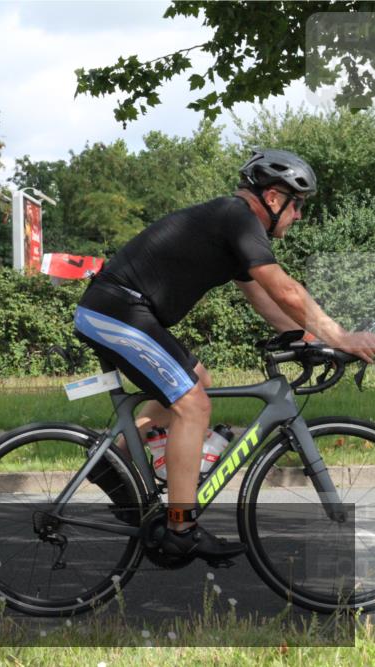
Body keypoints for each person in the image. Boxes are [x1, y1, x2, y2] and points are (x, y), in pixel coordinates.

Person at [73, 148, 375, 562]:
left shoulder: (232, 227)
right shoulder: (238, 218)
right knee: (192, 405)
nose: (299, 215)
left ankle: (114, 459)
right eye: (297, 204)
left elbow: (267, 301)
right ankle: (181, 527)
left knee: (200, 383)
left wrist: (308, 340)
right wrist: (340, 336)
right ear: (273, 198)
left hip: (125, 311)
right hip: (116, 311)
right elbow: (285, 289)